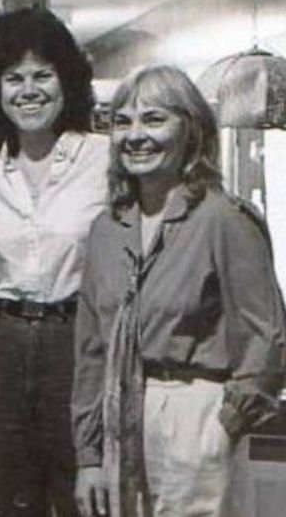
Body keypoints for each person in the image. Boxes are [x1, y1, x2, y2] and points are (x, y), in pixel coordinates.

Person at [72, 65, 286, 517]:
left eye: (153, 119)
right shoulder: (108, 229)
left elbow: (265, 339)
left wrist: (222, 429)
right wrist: (88, 455)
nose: (135, 135)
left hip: (195, 415)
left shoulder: (223, 219)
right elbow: (91, 349)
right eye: (122, 121)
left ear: (191, 129)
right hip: (119, 416)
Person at [0, 7, 108, 516]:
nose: (28, 91)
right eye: (14, 79)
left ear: (67, 82)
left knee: (86, 497)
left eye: (42, 75)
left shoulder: (105, 159)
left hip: (77, 346)